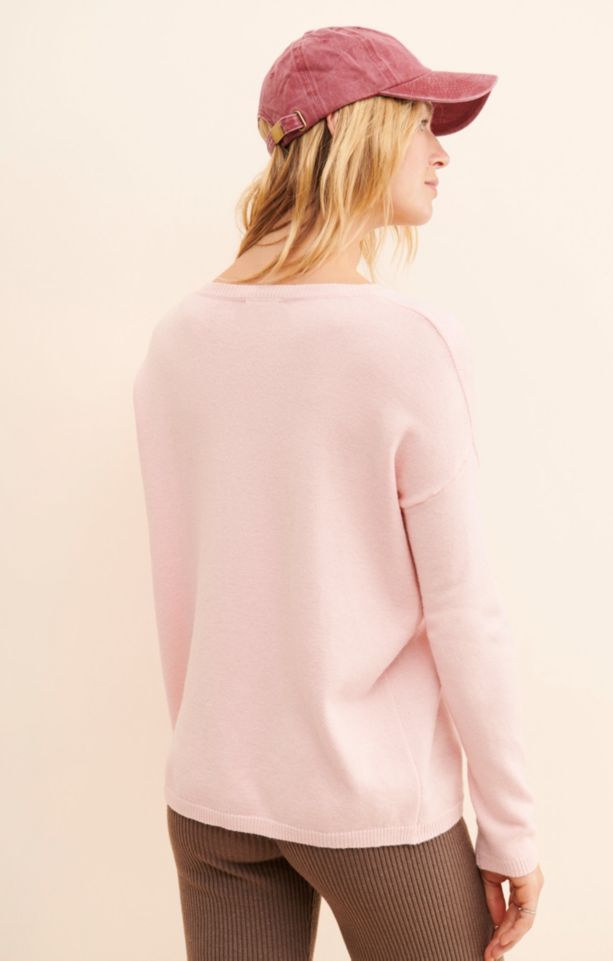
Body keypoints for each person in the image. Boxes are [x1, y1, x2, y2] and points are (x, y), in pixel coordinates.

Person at [132, 24, 544, 961]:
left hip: (213, 798)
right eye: (422, 123)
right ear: (362, 132)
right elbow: (464, 610)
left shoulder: (176, 340)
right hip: (375, 808)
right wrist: (511, 829)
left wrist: (220, 751)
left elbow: (179, 591)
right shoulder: (404, 343)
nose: (442, 151)